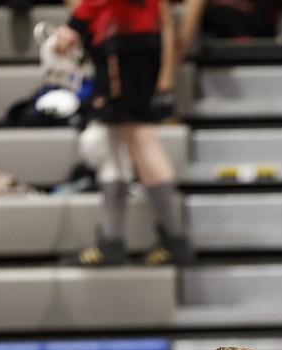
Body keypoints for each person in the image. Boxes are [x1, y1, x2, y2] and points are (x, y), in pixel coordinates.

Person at [52, 0, 193, 267]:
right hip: (123, 40)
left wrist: (75, 25)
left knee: (140, 137)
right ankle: (112, 240)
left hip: (125, 43)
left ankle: (174, 239)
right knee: (112, 139)